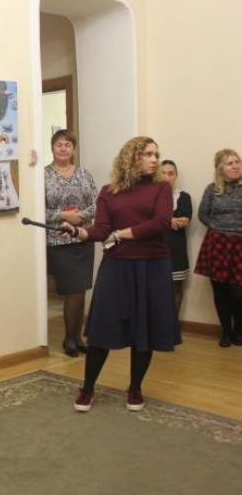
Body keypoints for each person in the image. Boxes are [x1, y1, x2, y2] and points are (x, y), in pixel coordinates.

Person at [63, 136, 180, 413]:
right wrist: (78, 231)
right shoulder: (108, 191)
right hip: (117, 266)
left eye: (156, 154)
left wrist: (121, 234)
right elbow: (102, 230)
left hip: (152, 265)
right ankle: (87, 387)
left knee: (145, 330)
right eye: (148, 154)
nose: (154, 160)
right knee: (102, 329)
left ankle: (135, 388)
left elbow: (161, 223)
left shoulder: (161, 188)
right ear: (131, 157)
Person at [44, 130, 97, 357]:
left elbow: (96, 205)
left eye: (68, 145)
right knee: (72, 290)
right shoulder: (43, 175)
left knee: (81, 289)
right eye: (59, 144)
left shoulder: (84, 174)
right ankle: (70, 338)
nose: (63, 148)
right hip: (58, 241)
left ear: (73, 149)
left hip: (83, 237)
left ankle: (77, 337)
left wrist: (80, 216)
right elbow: (38, 209)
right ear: (52, 148)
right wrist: (63, 216)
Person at [195, 149, 242, 347]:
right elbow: (202, 214)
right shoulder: (212, 189)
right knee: (220, 290)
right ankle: (226, 332)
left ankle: (239, 331)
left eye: (237, 162)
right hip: (218, 244)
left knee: (238, 292)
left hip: (240, 245)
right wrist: (217, 228)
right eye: (230, 163)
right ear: (220, 168)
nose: (236, 166)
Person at [158, 160, 192, 318]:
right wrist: (169, 220)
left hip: (176, 249)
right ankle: (157, 325)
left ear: (176, 175)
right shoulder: (151, 196)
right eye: (163, 173)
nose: (167, 177)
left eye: (170, 173)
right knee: (155, 287)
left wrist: (161, 221)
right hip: (154, 248)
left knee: (176, 288)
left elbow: (184, 221)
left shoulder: (184, 197)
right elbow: (145, 220)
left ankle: (173, 325)